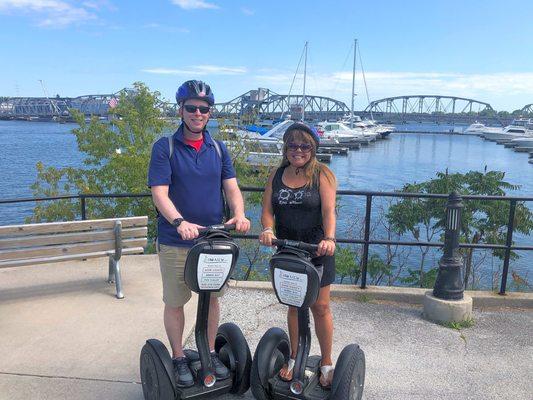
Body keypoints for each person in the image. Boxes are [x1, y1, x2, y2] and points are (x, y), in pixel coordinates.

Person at [148, 80, 250, 388]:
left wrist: (240, 214)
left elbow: (231, 188)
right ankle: (179, 355)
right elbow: (160, 194)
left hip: (213, 238)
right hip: (176, 239)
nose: (197, 113)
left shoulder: (218, 148)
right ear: (181, 110)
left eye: (203, 109)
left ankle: (208, 352)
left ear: (209, 113)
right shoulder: (164, 147)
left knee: (212, 299)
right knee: (176, 300)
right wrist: (179, 221)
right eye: (191, 108)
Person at [259, 122, 337, 387]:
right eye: (292, 144)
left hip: (316, 250)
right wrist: (268, 229)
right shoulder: (277, 174)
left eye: (304, 145)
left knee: (320, 306)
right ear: (286, 148)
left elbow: (328, 211)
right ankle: (294, 356)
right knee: (294, 304)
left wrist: (329, 238)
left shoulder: (322, 175)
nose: (298, 150)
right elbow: (267, 209)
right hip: (288, 249)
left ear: (313, 148)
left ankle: (326, 362)